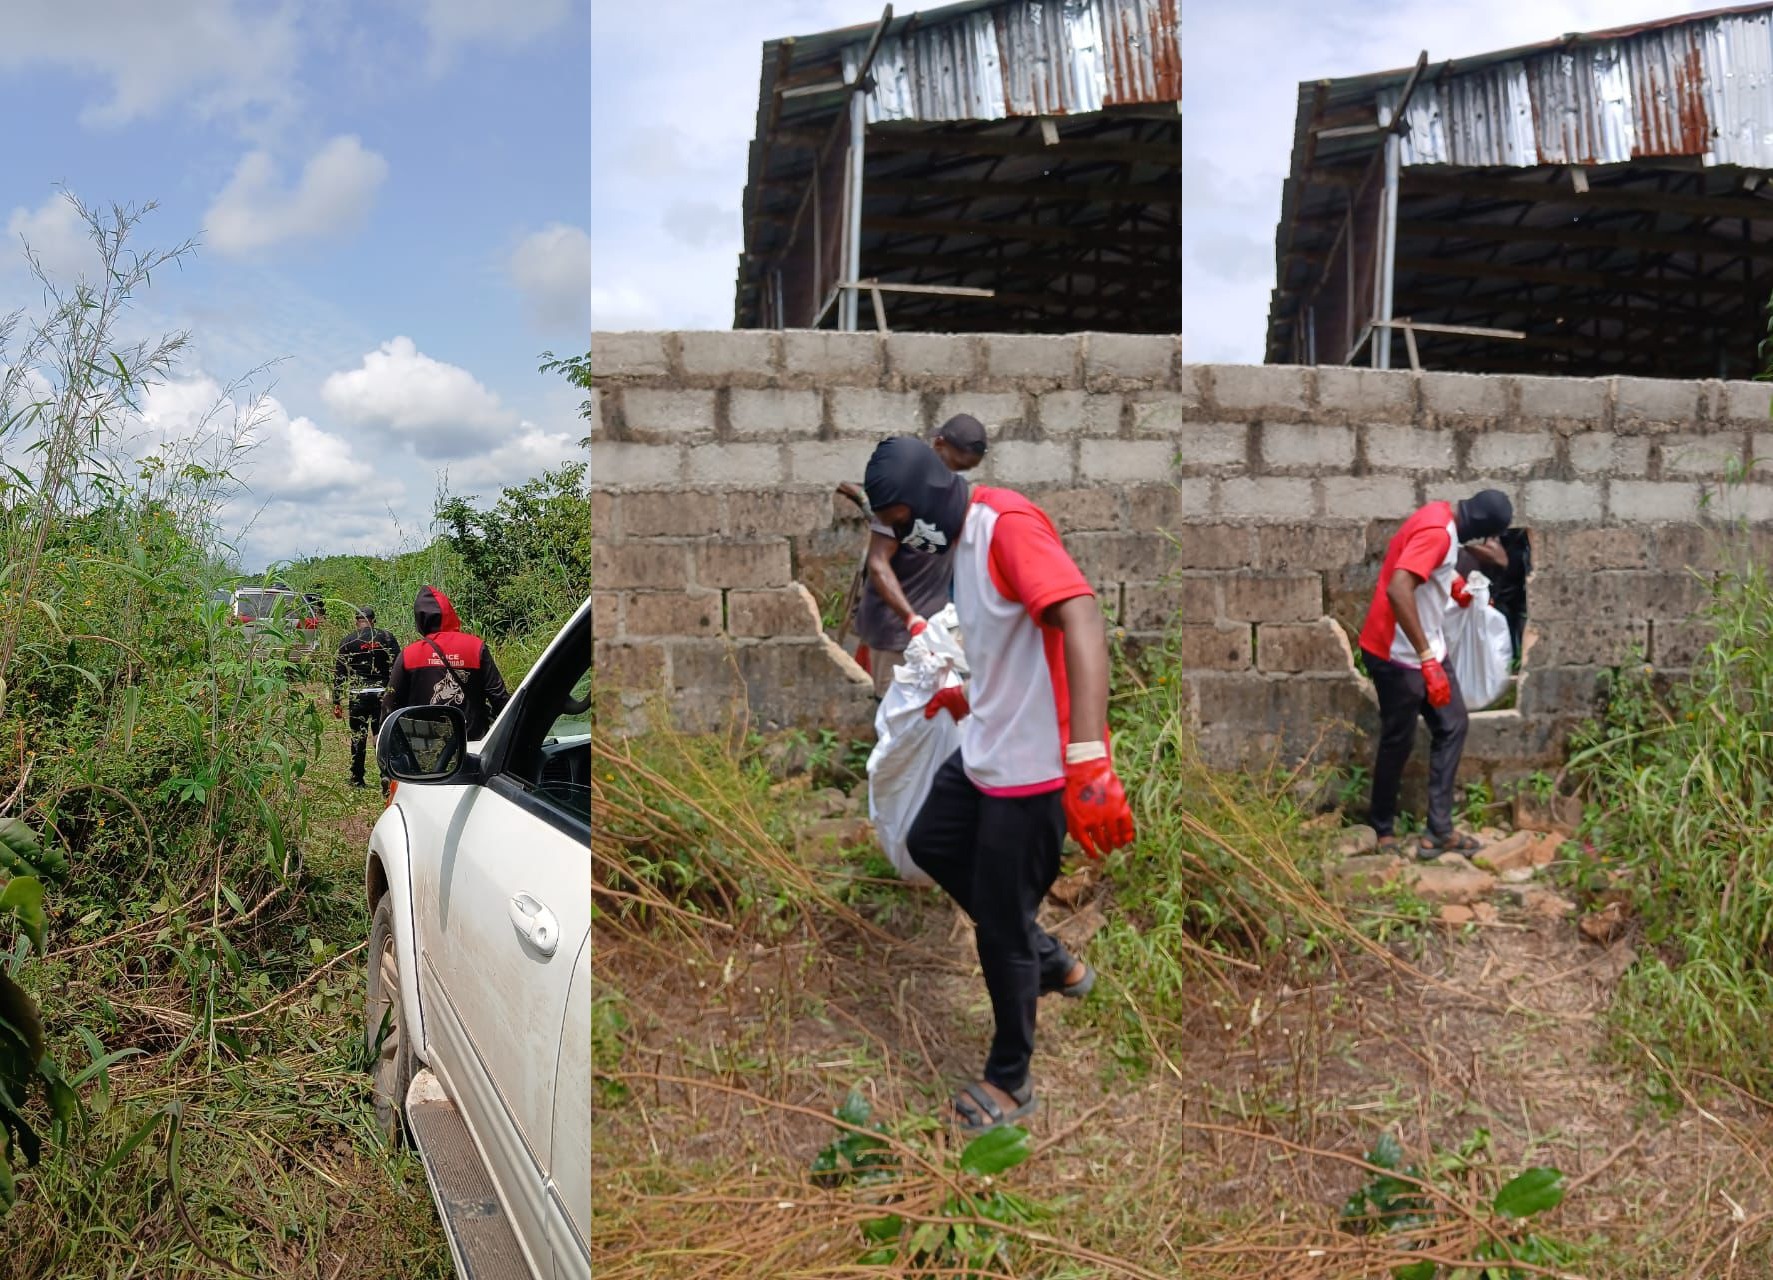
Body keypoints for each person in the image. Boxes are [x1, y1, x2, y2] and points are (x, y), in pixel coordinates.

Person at [863, 436, 1136, 1134]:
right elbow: (1003, 638)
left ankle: (1011, 1080)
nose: (901, 537)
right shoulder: (959, 542)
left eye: (901, 522)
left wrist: (1087, 757)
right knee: (930, 840)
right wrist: (967, 689)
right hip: (988, 739)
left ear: (927, 500)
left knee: (998, 930)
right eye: (890, 526)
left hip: (1035, 765)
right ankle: (1049, 958)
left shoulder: (1006, 525)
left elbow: (1080, 614)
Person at [1359, 490, 1513, 859]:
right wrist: (1427, 660)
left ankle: (1439, 831)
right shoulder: (1438, 533)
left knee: (1453, 724)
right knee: (1399, 740)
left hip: (1427, 647)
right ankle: (1382, 827)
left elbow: (1430, 566)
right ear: (1481, 530)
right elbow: (1399, 588)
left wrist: (1455, 587)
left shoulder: (1440, 515)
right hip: (1396, 654)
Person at [836, 414, 988, 696]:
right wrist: (911, 619)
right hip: (895, 630)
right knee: (894, 708)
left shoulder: (955, 494)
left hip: (935, 627)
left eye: (965, 468)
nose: (955, 473)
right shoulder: (902, 491)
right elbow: (878, 562)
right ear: (938, 445)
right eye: (955, 464)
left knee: (934, 709)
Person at [382, 586, 511, 741]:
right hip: (472, 742)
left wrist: (386, 740)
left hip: (424, 745)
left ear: (420, 619)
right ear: (450, 613)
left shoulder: (409, 654)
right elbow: (498, 696)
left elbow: (390, 702)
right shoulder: (475, 647)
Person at [332, 606, 401, 789]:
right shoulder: (386, 637)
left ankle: (357, 777)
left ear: (356, 621)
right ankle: (386, 774)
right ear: (373, 621)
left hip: (358, 696)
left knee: (358, 736)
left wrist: (336, 701)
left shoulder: (349, 641)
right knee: (382, 734)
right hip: (382, 695)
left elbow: (340, 673)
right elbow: (398, 666)